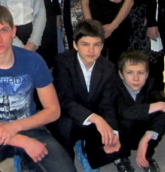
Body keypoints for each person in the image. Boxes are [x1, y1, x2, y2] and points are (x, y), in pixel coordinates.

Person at [0, 4, 77, 172]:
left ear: (13, 31)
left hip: (28, 126)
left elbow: (53, 110)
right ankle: (26, 158)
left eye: (3, 30)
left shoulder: (33, 60)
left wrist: (14, 127)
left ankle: (28, 164)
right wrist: (23, 142)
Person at [50, 19, 124, 171]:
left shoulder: (108, 68)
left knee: (118, 134)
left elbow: (108, 104)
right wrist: (96, 118)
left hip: (93, 115)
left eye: (96, 45)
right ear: (75, 45)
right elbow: (65, 100)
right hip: (69, 115)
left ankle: (86, 151)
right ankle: (67, 162)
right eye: (85, 44)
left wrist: (112, 133)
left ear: (102, 46)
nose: (91, 50)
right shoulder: (63, 62)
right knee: (64, 126)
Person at [115, 50, 165, 172]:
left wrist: (147, 137)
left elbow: (164, 114)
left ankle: (147, 154)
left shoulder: (151, 84)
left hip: (141, 132)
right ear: (121, 74)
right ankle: (120, 157)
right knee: (122, 120)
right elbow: (125, 112)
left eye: (141, 73)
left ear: (147, 74)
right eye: (130, 72)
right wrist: (159, 105)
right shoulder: (114, 87)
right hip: (121, 133)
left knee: (160, 119)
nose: (136, 78)